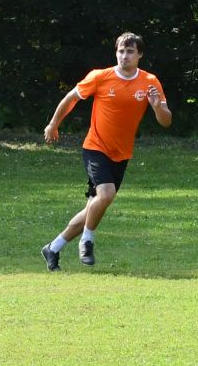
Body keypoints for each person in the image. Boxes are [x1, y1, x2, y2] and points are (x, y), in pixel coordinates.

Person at [39, 32, 172, 269]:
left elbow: (166, 121)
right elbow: (71, 98)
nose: (124, 56)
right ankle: (87, 241)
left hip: (121, 153)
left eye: (130, 51)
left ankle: (53, 248)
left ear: (139, 55)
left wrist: (156, 108)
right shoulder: (100, 77)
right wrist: (53, 124)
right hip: (95, 147)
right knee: (106, 194)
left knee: (95, 205)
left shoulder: (150, 82)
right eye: (121, 51)